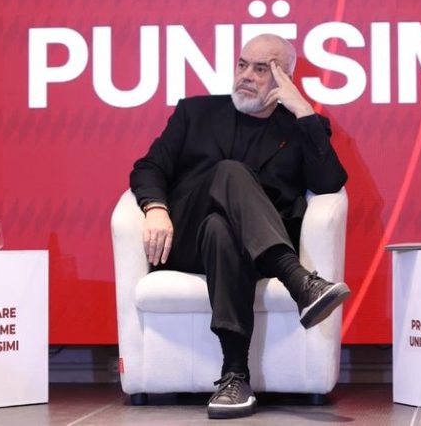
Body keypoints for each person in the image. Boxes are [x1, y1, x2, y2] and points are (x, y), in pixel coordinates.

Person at [129, 33, 350, 419]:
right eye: (242, 65)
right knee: (228, 175)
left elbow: (330, 183)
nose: (246, 75)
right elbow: (148, 167)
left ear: (284, 78)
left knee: (223, 231)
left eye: (261, 69)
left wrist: (303, 110)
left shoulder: (298, 128)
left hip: (253, 251)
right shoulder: (195, 113)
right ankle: (300, 282)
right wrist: (156, 207)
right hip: (188, 241)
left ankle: (234, 377)